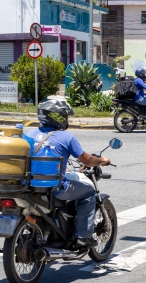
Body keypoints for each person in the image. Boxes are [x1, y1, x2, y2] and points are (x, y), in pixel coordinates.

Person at [26, 100, 110, 248]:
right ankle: (83, 236)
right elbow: (88, 160)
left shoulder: (30, 134)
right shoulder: (67, 138)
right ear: (59, 117)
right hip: (55, 187)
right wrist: (102, 160)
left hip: (29, 184)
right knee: (89, 192)